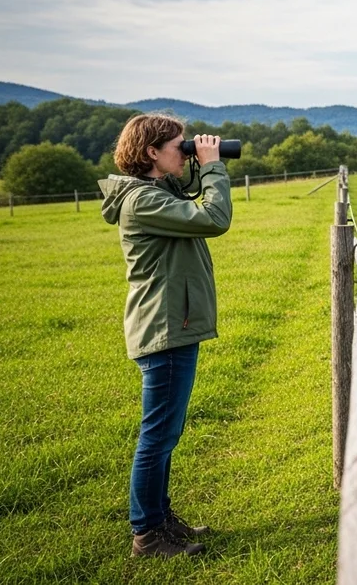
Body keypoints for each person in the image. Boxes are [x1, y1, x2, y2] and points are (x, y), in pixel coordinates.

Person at [98, 113, 232, 558]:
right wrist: (213, 165)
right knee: (157, 436)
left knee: (165, 434)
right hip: (165, 328)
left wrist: (194, 160)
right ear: (151, 152)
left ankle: (160, 519)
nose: (188, 149)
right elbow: (214, 218)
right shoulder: (141, 201)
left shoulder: (155, 193)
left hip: (174, 324)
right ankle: (147, 535)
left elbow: (190, 201)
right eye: (180, 144)